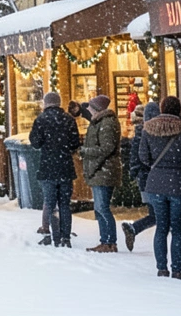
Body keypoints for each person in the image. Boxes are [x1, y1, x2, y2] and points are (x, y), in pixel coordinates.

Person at [138, 95, 181, 279]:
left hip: (156, 183)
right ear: (178, 110)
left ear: (162, 109)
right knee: (177, 229)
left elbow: (143, 157)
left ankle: (162, 268)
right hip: (180, 183)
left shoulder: (149, 130)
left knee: (161, 227)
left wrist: (158, 165)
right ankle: (177, 270)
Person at [29, 91, 80, 248]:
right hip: (65, 167)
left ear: (46, 103)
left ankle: (55, 236)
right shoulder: (69, 120)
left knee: (50, 203)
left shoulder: (41, 120)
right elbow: (75, 143)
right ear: (59, 103)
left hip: (48, 168)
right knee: (65, 203)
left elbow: (35, 142)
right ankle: (66, 237)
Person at [80, 94, 122, 253]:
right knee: (99, 208)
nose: (88, 109)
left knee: (102, 207)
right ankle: (106, 240)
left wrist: (85, 151)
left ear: (97, 109)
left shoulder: (106, 123)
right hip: (100, 170)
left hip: (104, 170)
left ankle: (110, 241)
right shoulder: (99, 121)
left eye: (90, 107)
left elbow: (107, 148)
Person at [122, 101, 158, 250]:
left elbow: (135, 159)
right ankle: (134, 228)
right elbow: (142, 158)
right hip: (154, 179)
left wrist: (136, 174)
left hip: (144, 180)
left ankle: (134, 229)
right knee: (158, 216)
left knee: (156, 214)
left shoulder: (139, 134)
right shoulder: (153, 134)